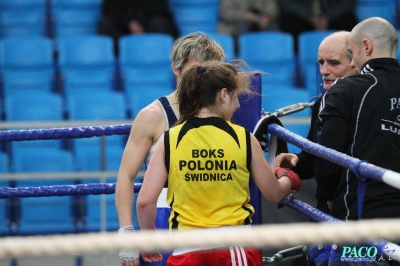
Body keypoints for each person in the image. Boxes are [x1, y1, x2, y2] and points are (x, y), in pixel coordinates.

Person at [136, 60, 302, 265]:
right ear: (223, 95)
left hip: (186, 251)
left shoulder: (169, 139)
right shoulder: (243, 137)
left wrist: (148, 238)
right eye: (236, 97)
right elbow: (274, 193)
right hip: (235, 249)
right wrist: (286, 175)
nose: (239, 105)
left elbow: (144, 202)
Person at [115, 32, 227, 266]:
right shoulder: (152, 116)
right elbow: (126, 176)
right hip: (164, 218)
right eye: (197, 68)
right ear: (177, 68)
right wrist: (127, 233)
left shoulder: (223, 113)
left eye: (209, 69)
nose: (203, 76)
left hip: (213, 216)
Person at [314, 18, 400, 265]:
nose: (352, 63)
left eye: (351, 53)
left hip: (360, 228)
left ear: (366, 47)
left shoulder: (346, 89)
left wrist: (328, 195)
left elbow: (328, 156)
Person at [273, 31, 357, 214]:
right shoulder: (322, 102)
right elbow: (314, 156)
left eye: (333, 63)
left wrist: (330, 194)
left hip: (359, 207)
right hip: (327, 207)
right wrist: (295, 162)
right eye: (321, 62)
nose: (324, 70)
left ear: (355, 64)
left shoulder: (370, 103)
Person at [97, 0, 179, 56]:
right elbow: (109, 9)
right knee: (105, 24)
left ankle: (160, 61)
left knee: (159, 23)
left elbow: (160, 9)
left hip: (149, 26)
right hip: (123, 28)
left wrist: (140, 23)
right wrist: (129, 22)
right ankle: (114, 65)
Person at [277, 0, 358, 53]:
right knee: (288, 20)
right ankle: (298, 61)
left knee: (349, 19)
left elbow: (348, 3)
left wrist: (328, 17)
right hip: (303, 18)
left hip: (332, 17)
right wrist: (309, 17)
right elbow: (286, 3)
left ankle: (348, 56)